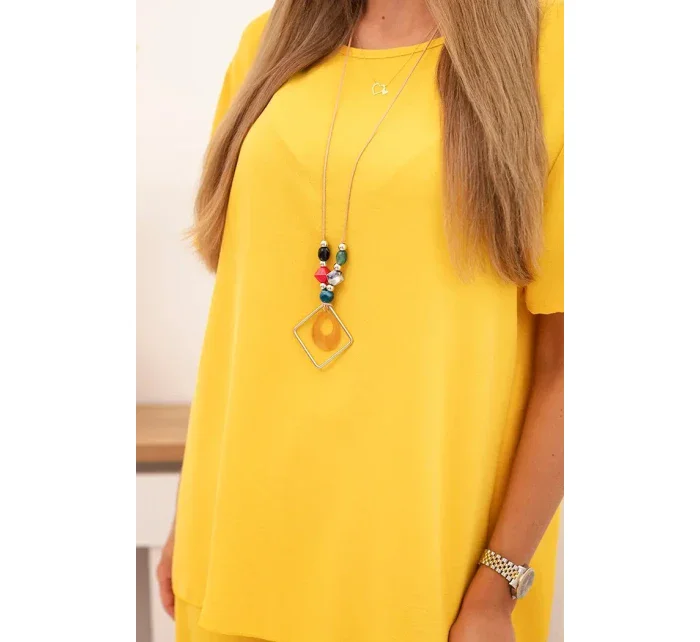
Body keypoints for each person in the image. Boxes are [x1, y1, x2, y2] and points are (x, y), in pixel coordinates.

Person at [157, 0, 564, 640]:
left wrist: (497, 588)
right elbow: (239, 309)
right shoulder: (269, 41)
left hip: (422, 584)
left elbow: (565, 364)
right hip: (234, 552)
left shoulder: (551, 51)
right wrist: (189, 513)